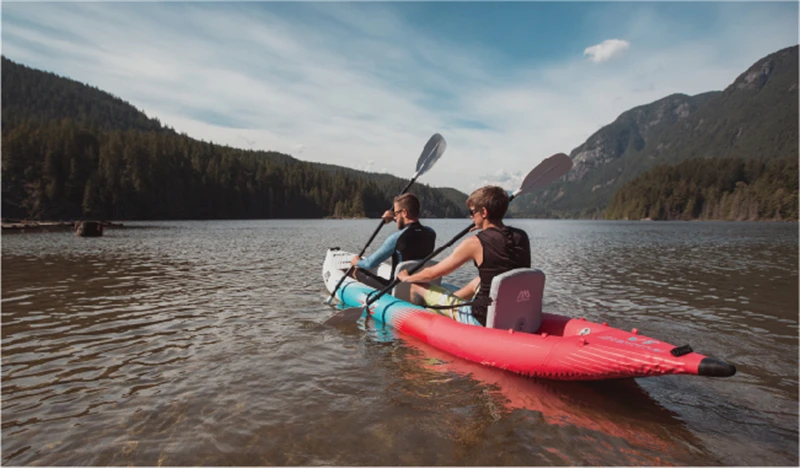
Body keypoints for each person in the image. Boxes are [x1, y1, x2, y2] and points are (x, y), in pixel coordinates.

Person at [396, 186, 530, 327]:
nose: (471, 217)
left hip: (481, 318)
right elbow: (502, 252)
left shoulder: (475, 242)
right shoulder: (521, 236)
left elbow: (432, 273)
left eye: (472, 212)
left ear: (484, 212)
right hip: (512, 311)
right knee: (478, 281)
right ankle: (446, 304)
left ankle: (418, 324)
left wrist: (406, 278)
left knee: (417, 285)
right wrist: (484, 227)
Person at [350, 193, 436, 289]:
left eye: (396, 213)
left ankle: (355, 275)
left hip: (396, 289)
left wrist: (357, 262)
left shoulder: (396, 238)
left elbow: (369, 263)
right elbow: (411, 225)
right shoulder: (431, 233)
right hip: (418, 285)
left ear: (404, 213)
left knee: (358, 271)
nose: (395, 216)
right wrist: (394, 218)